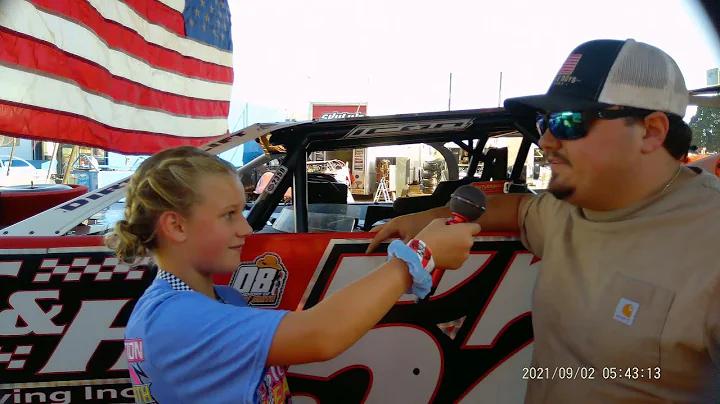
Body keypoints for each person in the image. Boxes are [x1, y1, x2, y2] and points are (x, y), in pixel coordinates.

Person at [367, 39, 720, 403]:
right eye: (543, 122)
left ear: (651, 131)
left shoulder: (710, 239)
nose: (546, 141)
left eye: (568, 123)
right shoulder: (566, 210)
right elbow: (517, 208)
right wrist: (428, 217)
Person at [106, 146, 480, 404]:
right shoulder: (176, 319)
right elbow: (320, 337)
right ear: (176, 226)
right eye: (228, 215)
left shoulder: (214, 302)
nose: (246, 229)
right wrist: (419, 255)